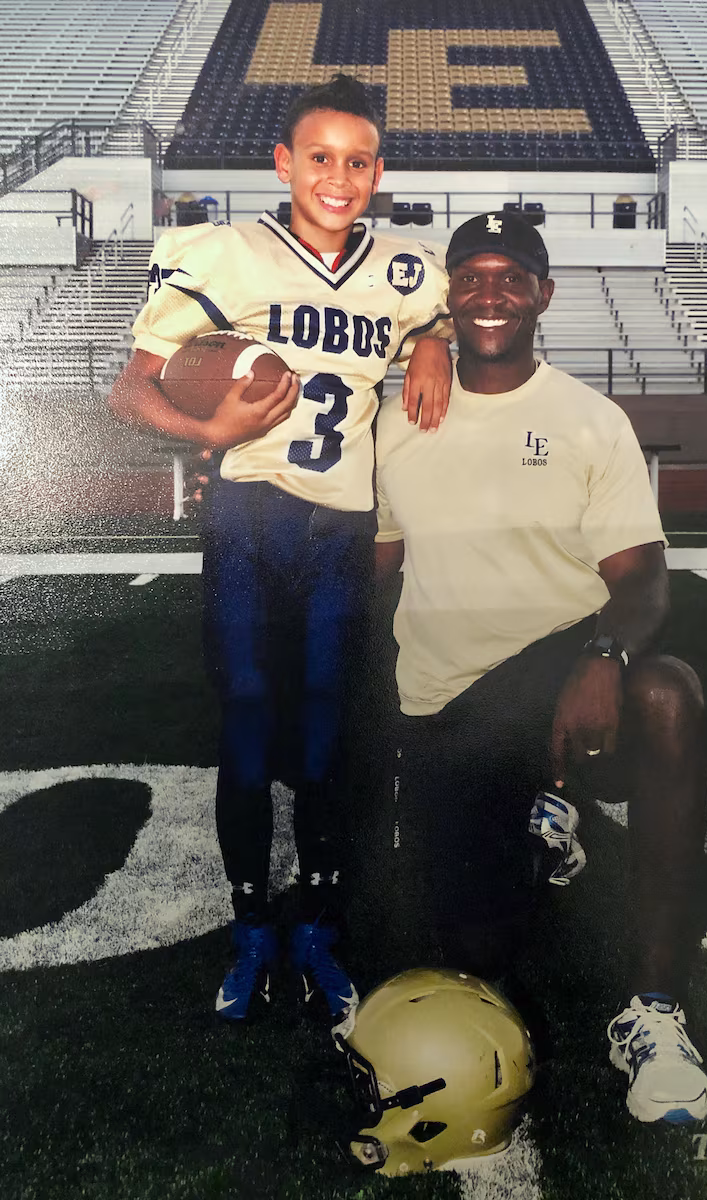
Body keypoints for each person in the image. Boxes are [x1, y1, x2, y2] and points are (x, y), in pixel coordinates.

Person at [108, 74, 453, 1035]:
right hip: (250, 523)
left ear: (377, 172)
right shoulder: (226, 253)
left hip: (342, 530)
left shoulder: (404, 268)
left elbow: (442, 306)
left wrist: (436, 342)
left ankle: (319, 925)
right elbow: (128, 393)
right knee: (251, 731)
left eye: (356, 161)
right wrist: (206, 429)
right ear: (283, 163)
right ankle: (254, 922)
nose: (337, 178)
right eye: (319, 158)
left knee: (327, 739)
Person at [371, 211, 707, 1125]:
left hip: (565, 672)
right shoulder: (395, 415)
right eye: (472, 276)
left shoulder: (589, 419)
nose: (491, 292)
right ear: (448, 297)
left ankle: (653, 1008)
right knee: (476, 945)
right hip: (448, 709)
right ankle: (536, 810)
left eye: (511, 277)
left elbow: (640, 581)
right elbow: (372, 566)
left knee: (668, 696)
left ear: (543, 296)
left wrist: (604, 654)